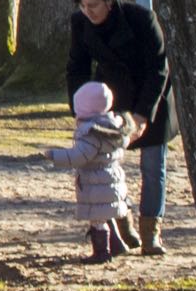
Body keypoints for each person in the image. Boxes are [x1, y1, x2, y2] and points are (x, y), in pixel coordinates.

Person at [65, 0, 173, 252]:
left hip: (151, 97)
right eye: (83, 6)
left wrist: (142, 116)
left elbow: (158, 70)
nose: (88, 12)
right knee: (107, 166)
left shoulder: (142, 19)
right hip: (110, 98)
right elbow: (77, 67)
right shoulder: (81, 23)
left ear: (109, 2)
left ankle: (151, 232)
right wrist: (81, 108)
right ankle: (123, 224)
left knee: (152, 166)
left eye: (93, 6)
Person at [58, 79, 137, 261]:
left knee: (98, 218)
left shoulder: (91, 133)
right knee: (109, 210)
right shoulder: (113, 127)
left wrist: (58, 156)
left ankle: (101, 252)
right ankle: (117, 244)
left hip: (96, 181)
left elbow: (81, 155)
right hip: (112, 178)